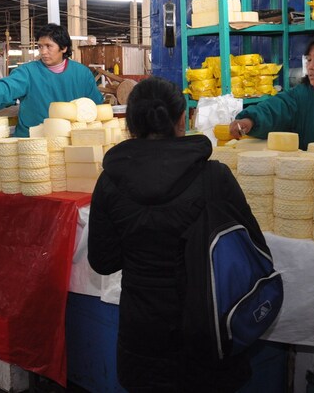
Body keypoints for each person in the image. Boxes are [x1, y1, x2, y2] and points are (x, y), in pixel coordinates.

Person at [88, 76, 263, 392]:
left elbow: (103, 260)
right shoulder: (214, 176)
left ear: (131, 124)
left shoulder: (110, 181)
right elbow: (252, 248)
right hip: (207, 327)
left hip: (143, 333)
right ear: (183, 119)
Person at [0, 23, 102, 137]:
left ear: (64, 48)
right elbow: (6, 88)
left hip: (69, 141)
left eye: (48, 46)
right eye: (40, 46)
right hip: (31, 142)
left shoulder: (82, 74)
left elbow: (96, 107)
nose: (43, 52)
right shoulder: (28, 72)